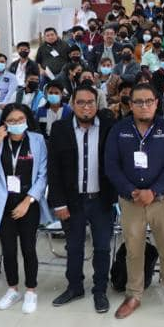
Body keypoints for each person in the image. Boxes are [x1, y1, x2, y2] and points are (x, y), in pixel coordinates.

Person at [105, 84, 164, 319]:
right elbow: (111, 165)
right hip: (131, 202)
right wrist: (132, 191)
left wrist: (154, 190)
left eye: (149, 101)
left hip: (160, 200)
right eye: (138, 102)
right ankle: (134, 295)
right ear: (130, 104)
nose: (144, 106)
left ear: (157, 103)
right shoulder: (119, 130)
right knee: (133, 249)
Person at [47, 87, 117, 313]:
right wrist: (58, 202)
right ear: (72, 104)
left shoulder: (109, 127)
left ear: (97, 104)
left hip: (101, 199)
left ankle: (100, 290)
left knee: (102, 247)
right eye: (81, 102)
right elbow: (54, 169)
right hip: (72, 201)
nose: (86, 107)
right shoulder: (60, 129)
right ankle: (74, 287)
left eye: (90, 102)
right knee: (74, 247)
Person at [0, 104, 51, 314]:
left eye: (20, 119)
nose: (17, 123)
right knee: (8, 249)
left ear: (27, 119)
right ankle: (12, 289)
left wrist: (28, 201)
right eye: (11, 121)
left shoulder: (37, 141)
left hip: (29, 202)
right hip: (4, 203)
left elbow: (43, 175)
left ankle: (31, 290)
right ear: (4, 123)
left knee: (28, 248)